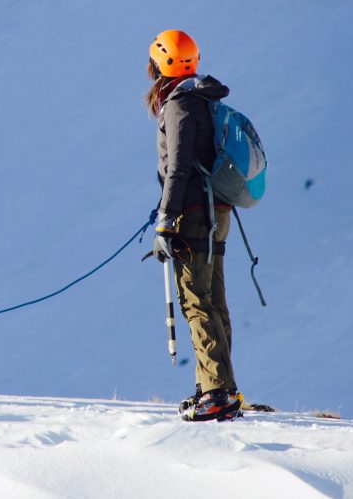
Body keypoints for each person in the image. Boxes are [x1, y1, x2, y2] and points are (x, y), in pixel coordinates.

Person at [146, 29, 242, 421]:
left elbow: (178, 167)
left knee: (196, 300)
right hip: (216, 212)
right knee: (213, 299)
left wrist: (166, 219)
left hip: (194, 214)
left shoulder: (179, 104)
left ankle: (217, 391)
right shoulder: (202, 98)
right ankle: (216, 387)